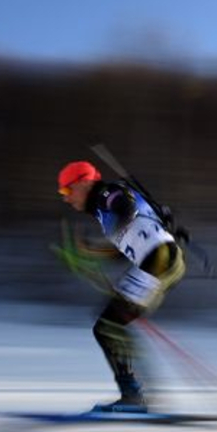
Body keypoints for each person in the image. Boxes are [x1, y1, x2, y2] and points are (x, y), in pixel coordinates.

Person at [57, 160, 185, 413]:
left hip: (158, 259)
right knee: (111, 325)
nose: (67, 199)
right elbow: (124, 248)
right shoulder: (102, 210)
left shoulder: (106, 193)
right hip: (159, 260)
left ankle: (134, 397)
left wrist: (91, 250)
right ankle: (137, 395)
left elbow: (124, 207)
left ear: (83, 183)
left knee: (108, 326)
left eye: (67, 190)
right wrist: (88, 255)